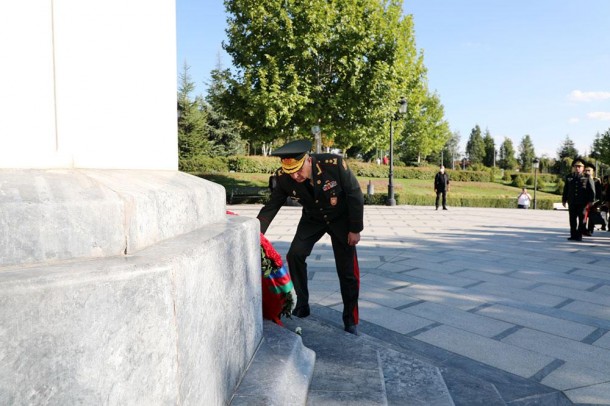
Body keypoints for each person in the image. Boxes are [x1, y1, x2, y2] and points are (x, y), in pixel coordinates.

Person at [257, 139, 364, 335]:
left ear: (307, 160)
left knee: (347, 270)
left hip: (341, 219)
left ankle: (351, 320)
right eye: (290, 172)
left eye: (298, 170)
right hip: (313, 218)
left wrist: (355, 229)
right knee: (295, 255)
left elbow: (354, 194)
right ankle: (302, 304)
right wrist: (255, 233)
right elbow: (272, 206)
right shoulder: (284, 177)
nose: (295, 176)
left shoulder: (334, 165)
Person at [562, 158, 595, 241]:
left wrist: (591, 201)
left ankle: (579, 235)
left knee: (581, 220)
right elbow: (566, 189)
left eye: (579, 166)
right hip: (572, 202)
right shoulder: (569, 177)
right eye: (576, 166)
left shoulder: (587, 177)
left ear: (583, 168)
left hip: (582, 203)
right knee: (572, 219)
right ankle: (573, 235)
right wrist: (564, 199)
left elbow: (592, 190)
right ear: (573, 167)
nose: (577, 168)